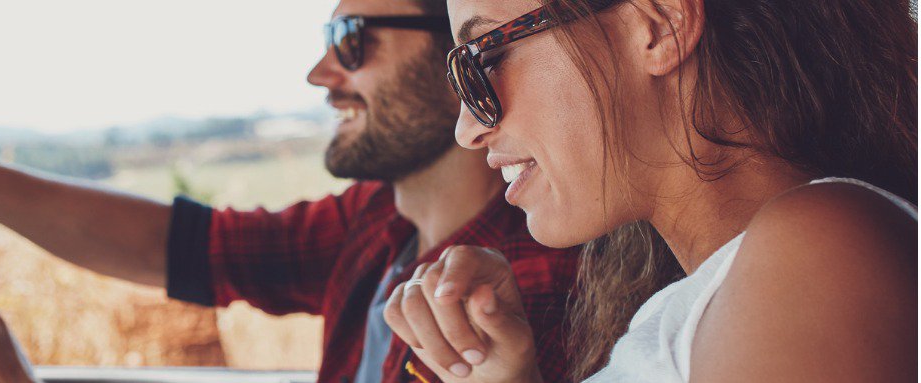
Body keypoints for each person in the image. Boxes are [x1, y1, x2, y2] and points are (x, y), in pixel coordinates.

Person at [0, 0, 582, 381]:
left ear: (462, 55)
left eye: (352, 41)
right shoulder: (377, 225)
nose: (320, 73)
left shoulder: (508, 297)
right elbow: (169, 244)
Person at [384, 0, 917, 381]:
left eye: (481, 59)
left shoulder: (817, 253)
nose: (467, 130)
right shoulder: (701, 298)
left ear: (659, 25)